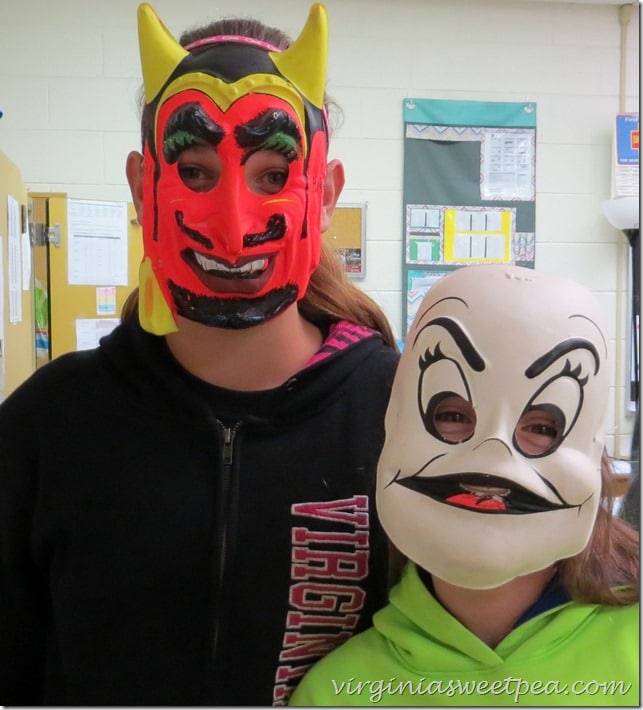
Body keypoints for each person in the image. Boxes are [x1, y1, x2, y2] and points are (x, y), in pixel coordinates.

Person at [0, 3, 399, 705]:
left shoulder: (402, 416)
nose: (233, 227)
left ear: (325, 193)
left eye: (275, 175)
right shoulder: (49, 422)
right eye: (194, 169)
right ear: (139, 185)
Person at [290, 264, 640, 706]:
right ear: (394, 425)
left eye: (542, 426)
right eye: (452, 415)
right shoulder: (337, 692)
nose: (490, 457)